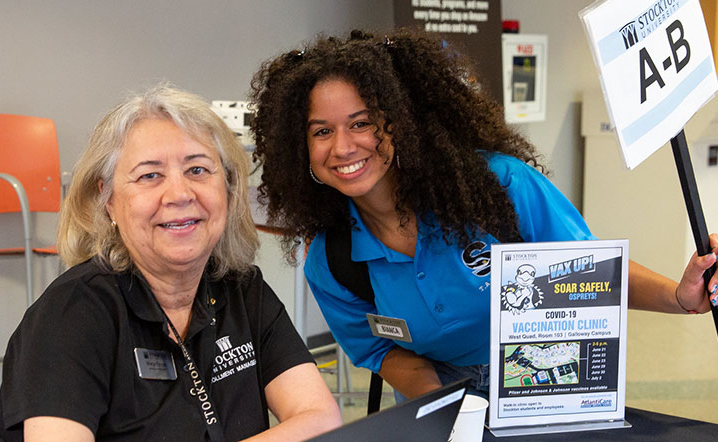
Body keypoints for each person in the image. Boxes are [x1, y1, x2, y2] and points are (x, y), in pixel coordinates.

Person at [249, 29, 718, 401]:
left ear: (400, 123)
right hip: (441, 391)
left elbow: (589, 273)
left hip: (546, 372)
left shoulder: (498, 187)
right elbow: (380, 350)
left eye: (362, 122)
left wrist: (679, 298)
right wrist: (447, 407)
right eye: (321, 131)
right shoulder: (333, 262)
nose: (343, 146)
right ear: (301, 150)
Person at [0, 85, 342, 442]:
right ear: (109, 200)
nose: (179, 193)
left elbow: (320, 420)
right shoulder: (71, 315)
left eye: (197, 170)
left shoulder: (241, 288)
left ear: (227, 188)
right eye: (149, 175)